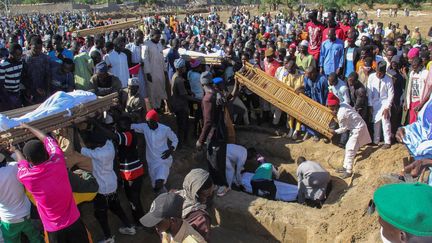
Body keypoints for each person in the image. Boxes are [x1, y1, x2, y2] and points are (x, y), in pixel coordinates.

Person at [14, 123, 90, 242]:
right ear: (46, 153)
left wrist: (16, 150)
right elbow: (47, 139)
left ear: (30, 161)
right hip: (75, 222)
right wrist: (29, 127)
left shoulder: (26, 176)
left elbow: (21, 162)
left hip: (54, 230)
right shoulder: (58, 161)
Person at [75, 128, 136, 242]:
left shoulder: (97, 153)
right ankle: (129, 227)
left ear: (97, 144)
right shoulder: (109, 146)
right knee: (116, 207)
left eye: (92, 143)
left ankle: (108, 238)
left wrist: (74, 131)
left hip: (101, 189)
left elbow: (78, 148)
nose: (90, 145)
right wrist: (93, 122)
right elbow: (105, 134)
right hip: (112, 184)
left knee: (100, 214)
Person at [90, 116, 145, 228]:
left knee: (134, 200)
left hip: (133, 173)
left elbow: (113, 136)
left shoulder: (128, 135)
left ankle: (140, 222)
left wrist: (95, 123)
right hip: (131, 172)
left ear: (127, 125)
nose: (117, 126)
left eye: (120, 124)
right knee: (133, 199)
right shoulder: (127, 133)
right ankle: (140, 221)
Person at [131, 109, 178, 194]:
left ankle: (165, 200)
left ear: (156, 121)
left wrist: (170, 150)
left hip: (163, 160)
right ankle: (164, 198)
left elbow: (175, 139)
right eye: (147, 122)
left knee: (158, 183)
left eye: (151, 122)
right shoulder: (145, 127)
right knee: (155, 186)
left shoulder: (165, 129)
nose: (149, 124)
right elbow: (131, 126)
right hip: (151, 162)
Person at [0, 153, 43, 243]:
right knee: (36, 238)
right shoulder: (14, 167)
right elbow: (24, 163)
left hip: (8, 220)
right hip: (27, 214)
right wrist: (14, 151)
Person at [327, 93, 371, 178]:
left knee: (350, 149)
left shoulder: (341, 114)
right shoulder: (343, 104)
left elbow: (344, 128)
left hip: (358, 128)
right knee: (349, 147)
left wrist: (334, 131)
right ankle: (345, 166)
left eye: (331, 107)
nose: (330, 109)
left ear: (336, 105)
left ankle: (348, 171)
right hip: (355, 127)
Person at [139, 192, 206, 243]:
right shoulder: (167, 230)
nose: (155, 227)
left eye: (158, 223)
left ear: (173, 220)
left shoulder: (192, 241)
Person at [177, 169, 214, 241]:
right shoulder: (201, 218)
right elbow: (204, 240)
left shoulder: (175, 195)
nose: (210, 195)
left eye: (212, 191)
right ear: (196, 194)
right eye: (206, 195)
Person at [171, 58, 199, 147]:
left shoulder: (175, 75)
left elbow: (181, 90)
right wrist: (198, 100)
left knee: (183, 124)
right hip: (181, 106)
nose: (185, 68)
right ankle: (181, 144)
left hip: (178, 104)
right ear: (179, 68)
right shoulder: (179, 80)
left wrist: (189, 91)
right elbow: (184, 96)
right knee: (183, 125)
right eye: (184, 67)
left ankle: (183, 142)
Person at [367, 61, 394, 149]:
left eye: (380, 73)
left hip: (385, 102)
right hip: (374, 102)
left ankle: (387, 141)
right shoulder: (371, 77)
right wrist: (370, 105)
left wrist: (387, 107)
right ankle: (376, 141)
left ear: (384, 72)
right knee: (376, 122)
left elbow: (391, 95)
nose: (378, 74)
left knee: (385, 121)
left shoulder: (388, 80)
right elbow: (369, 91)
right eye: (377, 72)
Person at [22, 36, 52, 104]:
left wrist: (47, 90)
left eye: (40, 48)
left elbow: (48, 75)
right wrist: (33, 88)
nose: (38, 50)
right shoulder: (24, 58)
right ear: (30, 46)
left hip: (43, 91)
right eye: (35, 48)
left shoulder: (45, 58)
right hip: (29, 91)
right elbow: (23, 76)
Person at [143, 29, 167, 110]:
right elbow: (145, 59)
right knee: (152, 90)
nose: (158, 39)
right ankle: (153, 108)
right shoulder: (146, 45)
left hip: (160, 71)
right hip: (151, 72)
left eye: (159, 37)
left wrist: (165, 70)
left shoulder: (160, 45)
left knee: (159, 89)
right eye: (157, 37)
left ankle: (158, 106)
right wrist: (148, 73)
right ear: (152, 36)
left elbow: (162, 58)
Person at [303, 66, 329, 141]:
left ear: (314, 73)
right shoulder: (307, 78)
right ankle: (310, 132)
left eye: (309, 75)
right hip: (311, 101)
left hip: (321, 103)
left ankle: (318, 134)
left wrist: (325, 105)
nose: (308, 77)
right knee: (310, 117)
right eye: (307, 75)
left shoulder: (323, 80)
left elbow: (326, 93)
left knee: (321, 119)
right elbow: (307, 89)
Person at [404, 57, 429, 124]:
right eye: (412, 66)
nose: (413, 68)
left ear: (420, 65)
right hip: (412, 101)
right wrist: (406, 101)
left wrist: (422, 103)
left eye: (415, 66)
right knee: (412, 121)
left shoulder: (426, 73)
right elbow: (409, 87)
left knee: (419, 121)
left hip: (420, 101)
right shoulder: (412, 73)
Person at [0, 43, 24, 111]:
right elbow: (1, 85)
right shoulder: (3, 65)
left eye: (20, 54)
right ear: (11, 54)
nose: (19, 57)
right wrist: (8, 99)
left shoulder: (20, 62)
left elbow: (19, 77)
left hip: (17, 93)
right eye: (17, 55)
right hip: (7, 95)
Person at [126, 30, 146, 98]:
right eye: (141, 37)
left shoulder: (142, 47)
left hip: (141, 72)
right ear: (136, 37)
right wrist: (138, 64)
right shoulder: (129, 47)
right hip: (133, 72)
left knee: (142, 89)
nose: (142, 39)